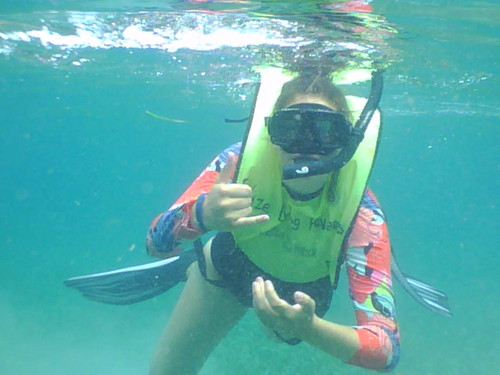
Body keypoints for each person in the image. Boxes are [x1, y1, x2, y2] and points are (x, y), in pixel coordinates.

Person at [146, 71, 400, 375]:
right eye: (290, 129)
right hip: (226, 270)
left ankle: (287, 327)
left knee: (284, 334)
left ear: (347, 142)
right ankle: (192, 268)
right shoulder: (236, 167)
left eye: (325, 131)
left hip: (300, 301)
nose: (306, 146)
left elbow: (387, 351)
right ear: (270, 136)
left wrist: (310, 328)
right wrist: (201, 215)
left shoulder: (362, 214)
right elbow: (155, 244)